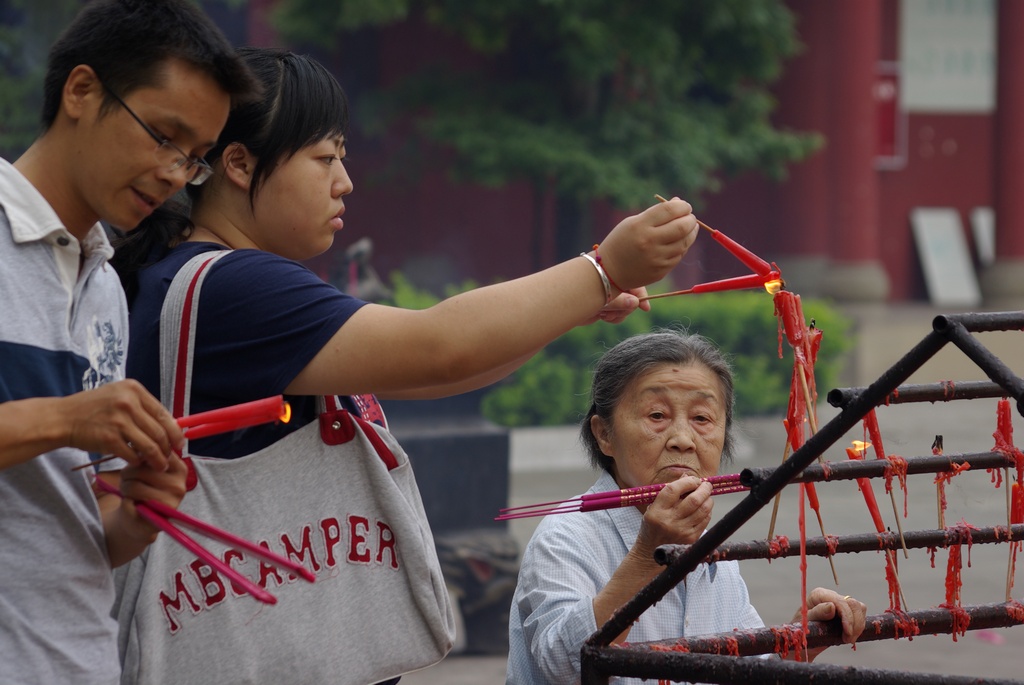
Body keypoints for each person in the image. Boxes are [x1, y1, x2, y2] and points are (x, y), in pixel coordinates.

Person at [109, 47, 697, 681]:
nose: (344, 181)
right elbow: (438, 347)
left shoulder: (207, 279)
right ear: (239, 164)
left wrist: (580, 303)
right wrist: (600, 268)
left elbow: (442, 374)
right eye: (324, 157)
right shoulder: (233, 287)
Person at [0, 1, 258, 682]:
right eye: (163, 136)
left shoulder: (106, 287)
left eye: (195, 158)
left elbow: (79, 530)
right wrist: (67, 417)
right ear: (81, 91)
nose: (176, 173)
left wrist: (141, 512)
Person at [506, 331, 867, 684]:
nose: (683, 439)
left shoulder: (711, 545)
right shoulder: (565, 538)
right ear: (604, 434)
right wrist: (647, 555)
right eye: (657, 416)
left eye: (702, 419)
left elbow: (749, 667)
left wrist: (801, 642)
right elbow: (563, 668)